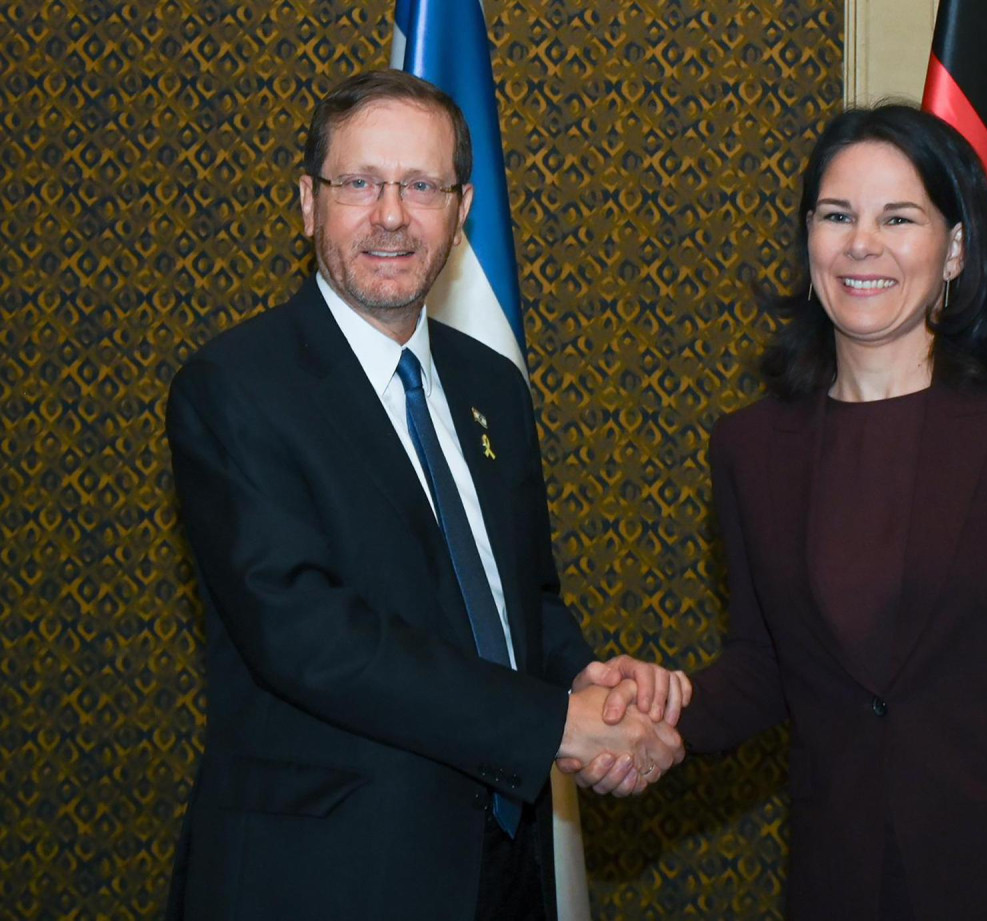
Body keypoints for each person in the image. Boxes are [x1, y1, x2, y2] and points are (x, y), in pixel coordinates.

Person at [163, 70, 688, 921]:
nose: (392, 215)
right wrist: (556, 722)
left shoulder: (493, 386)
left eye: (421, 185)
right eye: (360, 183)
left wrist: (586, 674)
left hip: (501, 869)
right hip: (328, 877)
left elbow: (521, 593)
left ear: (462, 208)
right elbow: (309, 637)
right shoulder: (233, 387)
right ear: (307, 202)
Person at [674, 106, 987, 920]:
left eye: (899, 217)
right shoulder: (749, 448)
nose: (862, 243)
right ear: (810, 240)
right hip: (841, 880)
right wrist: (655, 713)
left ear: (956, 250)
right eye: (838, 216)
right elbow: (764, 670)